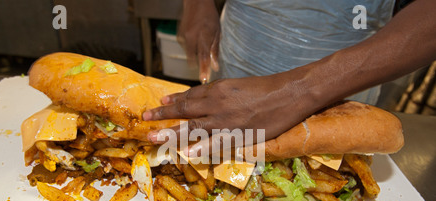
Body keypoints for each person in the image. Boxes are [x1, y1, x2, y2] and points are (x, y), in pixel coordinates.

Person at [142, 0, 436, 157]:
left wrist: (296, 92)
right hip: (241, 46)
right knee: (230, 159)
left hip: (350, 69)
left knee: (326, 158)